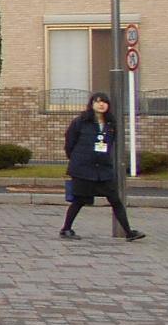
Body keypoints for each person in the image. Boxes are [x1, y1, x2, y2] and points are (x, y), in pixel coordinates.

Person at [61, 92, 143, 240]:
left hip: (103, 170)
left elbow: (110, 144)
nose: (101, 104)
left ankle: (129, 232)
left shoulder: (110, 124)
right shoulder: (80, 122)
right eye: (97, 101)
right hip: (83, 169)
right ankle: (66, 229)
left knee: (115, 200)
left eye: (104, 102)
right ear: (91, 104)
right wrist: (76, 159)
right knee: (79, 200)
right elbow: (69, 143)